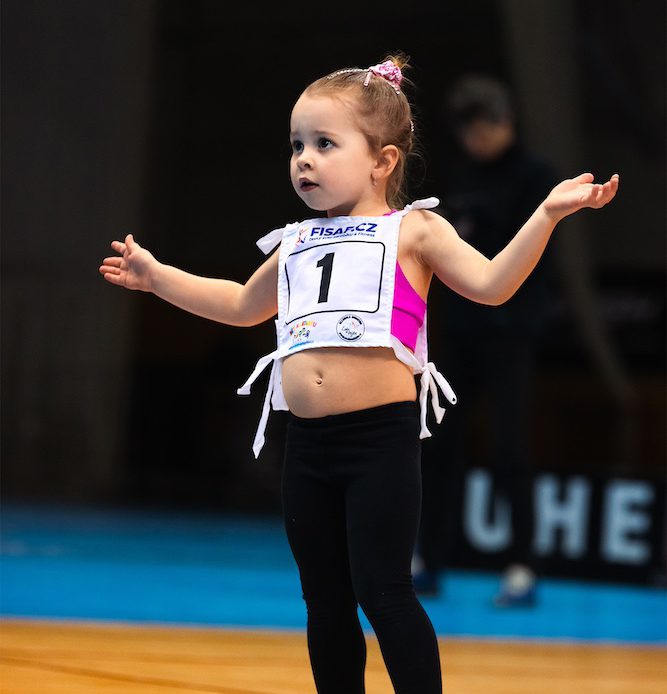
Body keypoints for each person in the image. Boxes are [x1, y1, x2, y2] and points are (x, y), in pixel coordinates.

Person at [99, 54, 619, 694]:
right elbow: (238, 304)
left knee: (385, 591)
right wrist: (157, 278)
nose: (304, 159)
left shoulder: (414, 230)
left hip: (379, 445)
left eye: (324, 143)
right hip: (307, 450)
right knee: (324, 600)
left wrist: (546, 215)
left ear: (383, 160)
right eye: (296, 145)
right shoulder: (295, 242)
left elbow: (492, 285)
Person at [413, 74, 561, 606]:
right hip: (459, 330)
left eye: (486, 128)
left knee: (509, 446)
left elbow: (535, 259)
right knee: (438, 445)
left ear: (507, 122)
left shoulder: (537, 176)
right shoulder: (460, 176)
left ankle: (521, 567)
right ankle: (428, 560)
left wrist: (518, 319)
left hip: (511, 333)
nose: (478, 139)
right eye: (469, 131)